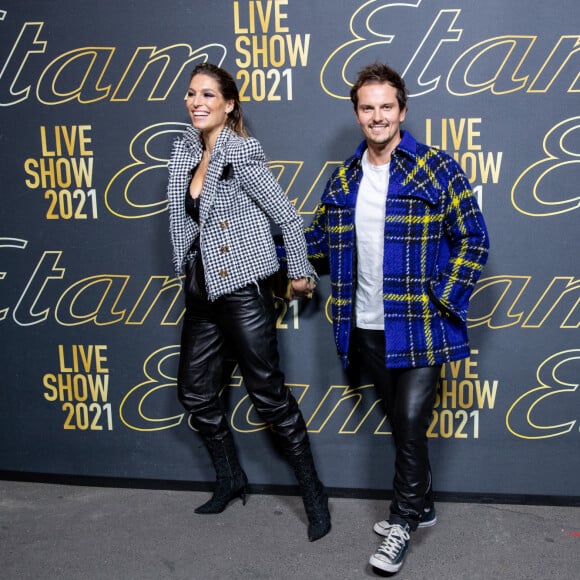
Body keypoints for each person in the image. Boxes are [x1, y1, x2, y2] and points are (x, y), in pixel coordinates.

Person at [290, 63, 489, 571]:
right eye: (367, 108)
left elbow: (474, 238)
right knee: (406, 432)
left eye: (386, 106)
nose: (377, 116)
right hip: (365, 326)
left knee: (409, 420)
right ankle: (422, 506)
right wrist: (267, 242)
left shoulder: (437, 168)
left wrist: (443, 299)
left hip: (421, 326)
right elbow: (316, 246)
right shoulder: (344, 178)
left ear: (402, 110)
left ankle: (400, 523)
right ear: (357, 114)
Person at [166, 63, 330, 542]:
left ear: (229, 103)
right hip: (201, 290)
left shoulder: (240, 153)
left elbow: (283, 213)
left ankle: (314, 494)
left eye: (208, 95)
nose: (197, 102)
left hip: (241, 289)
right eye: (192, 93)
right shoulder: (184, 153)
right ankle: (230, 478)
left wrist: (298, 273)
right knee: (195, 392)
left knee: (268, 396)